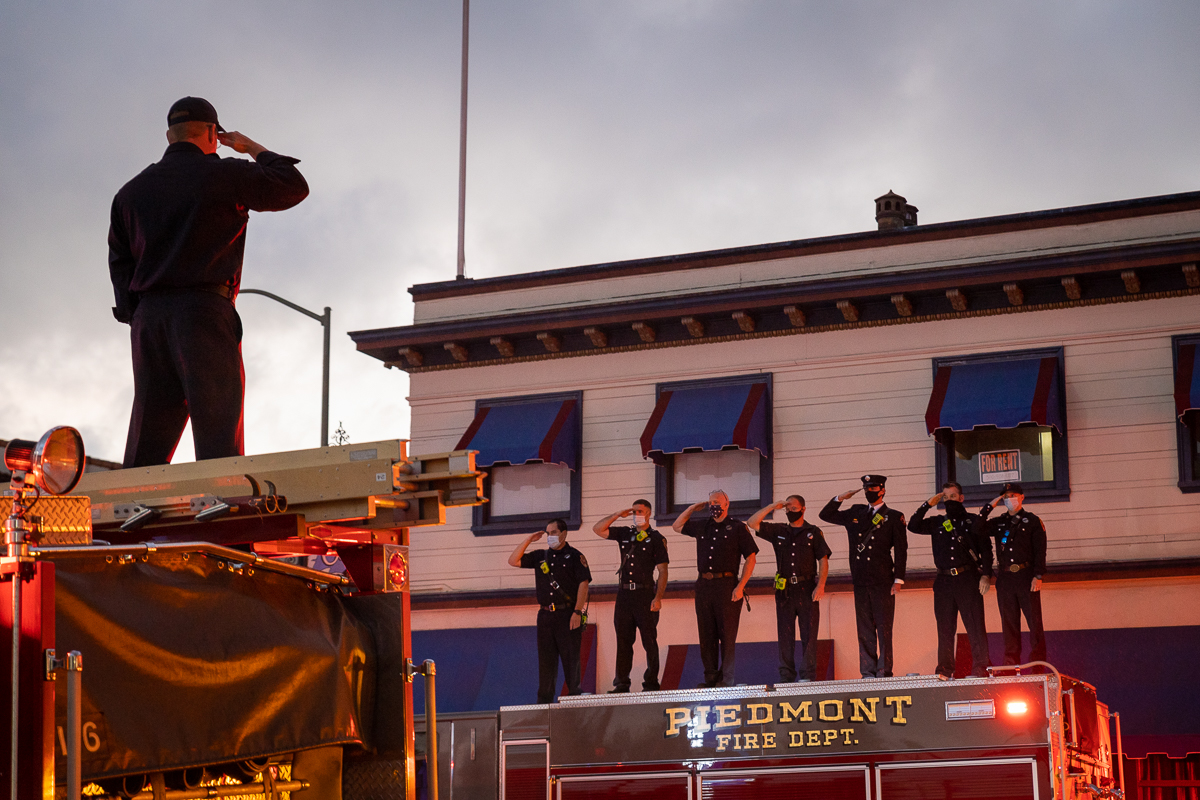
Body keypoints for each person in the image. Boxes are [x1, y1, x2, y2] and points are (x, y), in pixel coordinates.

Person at [108, 96, 309, 468]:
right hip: (203, 313)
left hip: (149, 319)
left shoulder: (130, 192)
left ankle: (133, 502)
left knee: (147, 442)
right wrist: (251, 147)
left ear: (169, 136)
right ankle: (223, 500)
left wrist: (137, 316)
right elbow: (292, 186)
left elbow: (120, 263)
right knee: (218, 440)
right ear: (213, 133)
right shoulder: (225, 174)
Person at [820, 474, 907, 678]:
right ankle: (868, 671)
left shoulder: (893, 516)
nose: (869, 492)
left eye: (873, 488)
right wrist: (841, 498)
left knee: (884, 627)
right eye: (867, 488)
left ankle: (884, 670)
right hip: (860, 580)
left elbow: (901, 550)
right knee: (864, 627)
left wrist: (898, 579)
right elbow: (826, 515)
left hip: (883, 580)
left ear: (882, 490)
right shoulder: (856, 512)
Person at [908, 482, 994, 679]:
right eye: (945, 497)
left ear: (961, 498)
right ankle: (945, 669)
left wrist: (986, 575)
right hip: (944, 581)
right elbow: (913, 526)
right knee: (945, 628)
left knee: (975, 625)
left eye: (952, 496)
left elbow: (986, 550)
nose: (949, 500)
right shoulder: (937, 522)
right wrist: (927, 505)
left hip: (968, 578)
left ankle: (981, 667)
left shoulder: (973, 521)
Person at [672, 490, 757, 688]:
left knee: (727, 634)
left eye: (717, 502)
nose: (713, 506)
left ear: (727, 504)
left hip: (726, 585)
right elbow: (677, 526)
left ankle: (726, 679)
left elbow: (751, 557)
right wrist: (692, 509)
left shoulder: (737, 527)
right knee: (706, 633)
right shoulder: (703, 525)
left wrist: (741, 585)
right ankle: (710, 678)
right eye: (711, 503)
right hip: (704, 586)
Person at [748, 495, 831, 683]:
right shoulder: (779, 530)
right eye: (787, 509)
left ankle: (808, 675)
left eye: (794, 508)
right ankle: (786, 675)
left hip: (807, 588)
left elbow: (823, 559)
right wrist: (771, 506)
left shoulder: (813, 532)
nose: (790, 512)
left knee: (809, 633)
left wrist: (821, 585)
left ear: (803, 509)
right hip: (785, 590)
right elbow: (752, 523)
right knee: (785, 634)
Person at [508, 519, 592, 703]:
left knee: (570, 658)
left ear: (564, 534)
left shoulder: (575, 556)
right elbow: (513, 561)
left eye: (553, 532)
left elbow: (583, 584)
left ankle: (574, 696)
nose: (549, 536)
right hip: (545, 615)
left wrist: (577, 612)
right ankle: (544, 701)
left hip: (567, 614)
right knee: (546, 660)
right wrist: (528, 540)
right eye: (547, 533)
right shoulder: (541, 556)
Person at [593, 499, 669, 692]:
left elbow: (663, 571)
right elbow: (598, 529)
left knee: (649, 640)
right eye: (634, 512)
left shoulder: (656, 538)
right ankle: (621, 683)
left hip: (645, 594)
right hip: (624, 594)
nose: (636, 515)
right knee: (624, 640)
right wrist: (618, 514)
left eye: (640, 511)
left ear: (649, 513)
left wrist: (658, 597)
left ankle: (651, 682)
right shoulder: (625, 533)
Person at [980, 483, 1047, 667]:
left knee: (1034, 622)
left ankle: (1038, 664)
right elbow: (978, 528)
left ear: (1022, 497)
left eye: (1013, 495)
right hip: (1005, 578)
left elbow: (1040, 550)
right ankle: (1011, 664)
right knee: (1009, 623)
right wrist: (989, 507)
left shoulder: (1032, 521)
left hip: (1026, 576)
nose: (1010, 499)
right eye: (1006, 496)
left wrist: (1038, 575)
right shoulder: (999, 522)